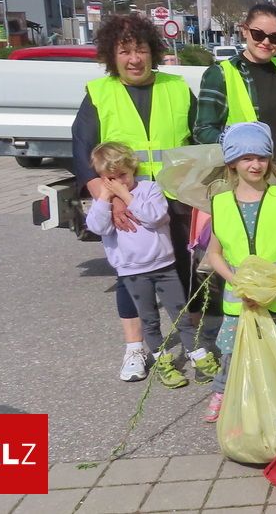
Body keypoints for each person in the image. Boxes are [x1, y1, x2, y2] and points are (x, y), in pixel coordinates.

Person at [71, 12, 197, 382]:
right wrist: (109, 199)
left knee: (180, 272)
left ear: (153, 51)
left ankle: (193, 342)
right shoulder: (99, 93)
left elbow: (200, 139)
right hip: (125, 203)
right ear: (112, 56)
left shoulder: (176, 87)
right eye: (124, 51)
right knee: (131, 274)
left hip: (174, 199)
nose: (134, 59)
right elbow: (82, 152)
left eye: (141, 49)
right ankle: (135, 349)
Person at [85, 142, 218, 388]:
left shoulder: (149, 189)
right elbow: (97, 227)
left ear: (133, 169)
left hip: (163, 266)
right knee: (149, 319)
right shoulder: (105, 204)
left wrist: (126, 196)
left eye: (123, 175)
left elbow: (155, 217)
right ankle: (162, 360)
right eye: (111, 179)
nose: (119, 183)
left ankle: (197, 355)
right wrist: (105, 198)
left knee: (181, 314)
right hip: (133, 271)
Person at [203, 122, 276, 422]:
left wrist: (273, 284)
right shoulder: (220, 203)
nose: (255, 164)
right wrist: (238, 282)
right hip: (240, 298)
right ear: (232, 162)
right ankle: (224, 393)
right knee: (233, 354)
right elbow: (214, 253)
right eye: (247, 157)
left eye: (262, 157)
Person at [193, 3, 276, 180]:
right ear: (245, 31)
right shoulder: (221, 74)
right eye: (258, 34)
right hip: (254, 183)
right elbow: (202, 131)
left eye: (275, 38)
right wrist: (240, 144)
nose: (266, 42)